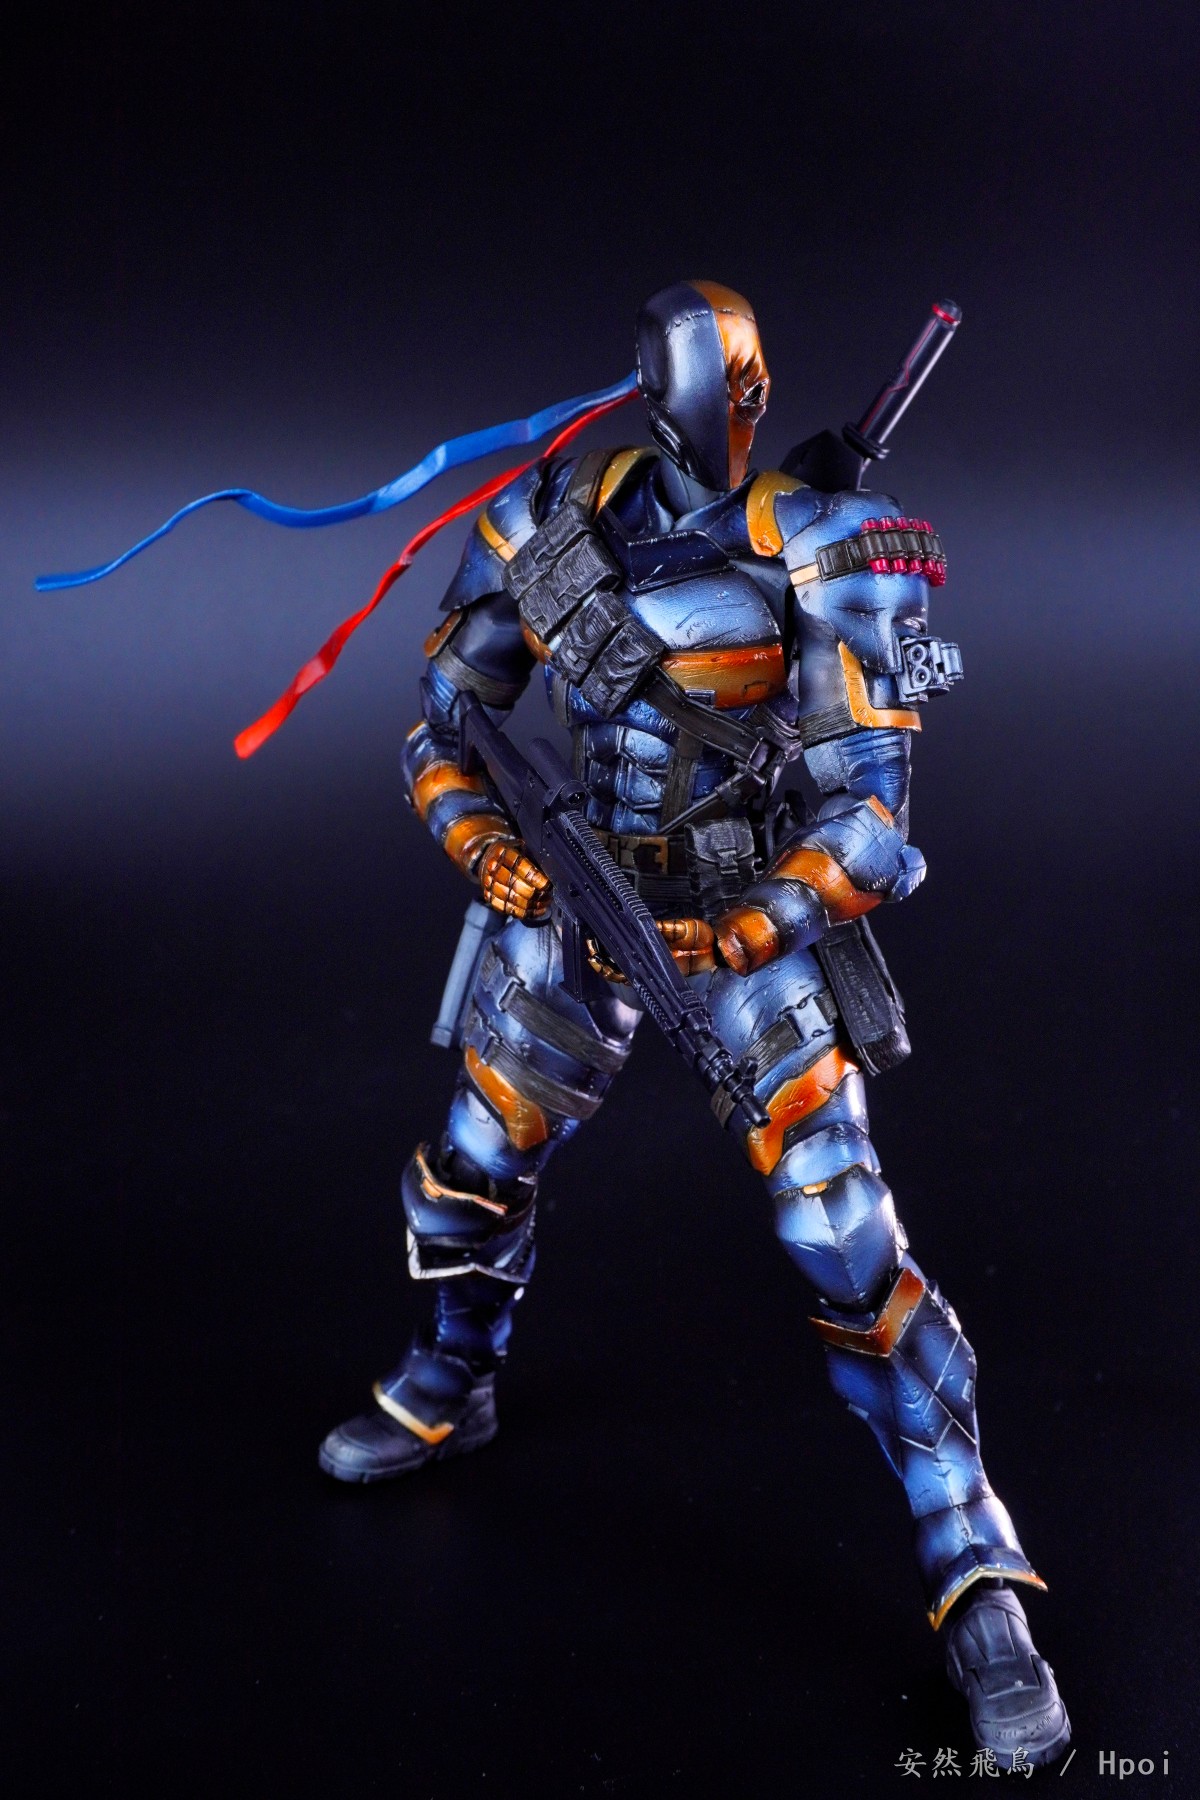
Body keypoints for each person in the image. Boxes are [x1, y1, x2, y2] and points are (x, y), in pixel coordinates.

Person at [318, 280, 1070, 1767]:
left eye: (732, 386)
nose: (719, 410)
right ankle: (453, 1376)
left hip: (743, 928)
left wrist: (756, 925)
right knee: (467, 1173)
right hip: (573, 905)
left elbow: (871, 818)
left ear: (756, 391)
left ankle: (977, 1568)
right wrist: (489, 848)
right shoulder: (554, 521)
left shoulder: (830, 543)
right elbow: (441, 717)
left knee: (849, 1240)